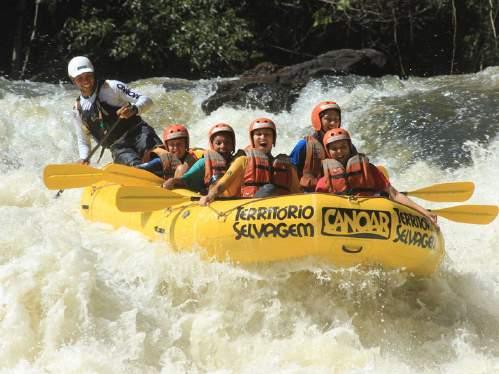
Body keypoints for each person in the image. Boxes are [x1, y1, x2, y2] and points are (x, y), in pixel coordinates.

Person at [315, 128, 438, 225]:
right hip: (340, 220)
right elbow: (318, 205)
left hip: (371, 218)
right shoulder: (324, 179)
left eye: (343, 147)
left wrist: (423, 212)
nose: (340, 152)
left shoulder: (369, 169)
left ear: (350, 148)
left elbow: (394, 194)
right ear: (328, 151)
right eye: (334, 149)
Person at [68, 56, 162, 165]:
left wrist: (134, 109)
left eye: (88, 76)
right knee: (133, 166)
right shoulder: (78, 110)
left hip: (139, 133)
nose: (85, 80)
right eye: (80, 78)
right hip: (118, 147)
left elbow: (147, 100)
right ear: (73, 80)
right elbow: (83, 140)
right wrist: (84, 158)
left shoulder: (112, 87)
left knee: (158, 157)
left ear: (93, 74)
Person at [199, 117, 301, 205]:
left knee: (270, 189)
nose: (263, 137)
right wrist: (210, 196)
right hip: (249, 210)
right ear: (252, 139)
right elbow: (222, 183)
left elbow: (298, 194)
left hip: (282, 211)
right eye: (258, 134)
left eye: (267, 134)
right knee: (269, 189)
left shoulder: (287, 166)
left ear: (273, 139)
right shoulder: (243, 160)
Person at [162, 122, 236, 194]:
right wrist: (172, 181)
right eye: (218, 143)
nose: (223, 146)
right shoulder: (203, 162)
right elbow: (185, 179)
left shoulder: (240, 160)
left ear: (233, 145)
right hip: (211, 198)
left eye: (227, 143)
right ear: (212, 146)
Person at [289, 101, 343, 191]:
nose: (333, 123)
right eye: (328, 119)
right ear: (317, 120)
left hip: (338, 194)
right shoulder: (304, 145)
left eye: (336, 120)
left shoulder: (346, 145)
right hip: (309, 195)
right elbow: (290, 171)